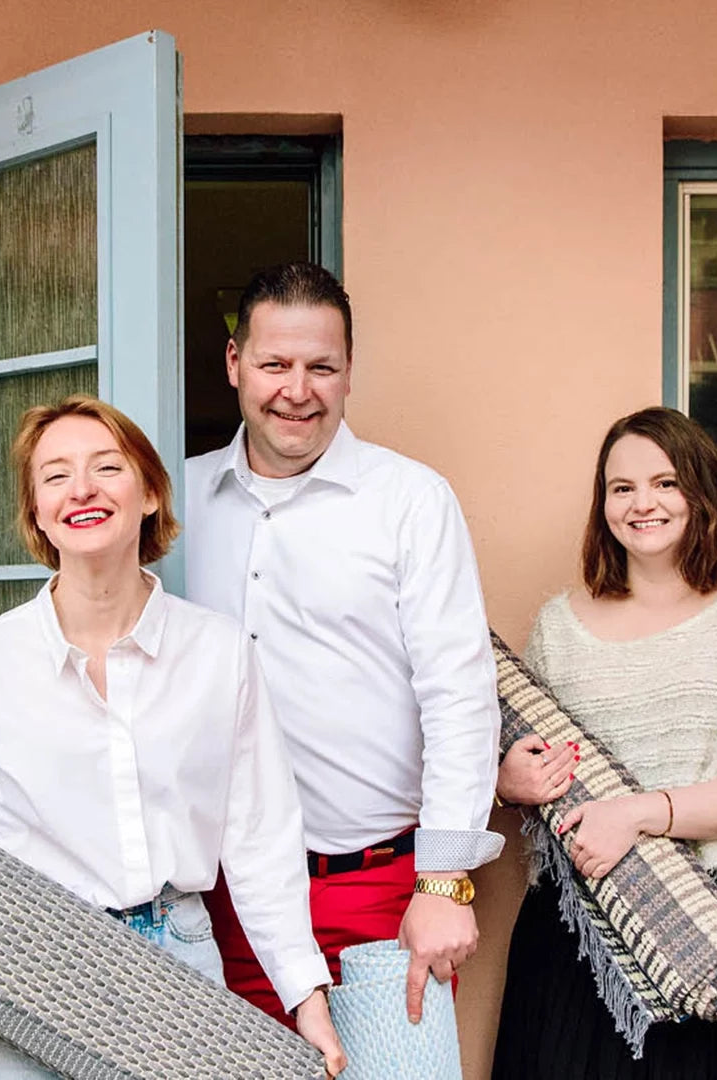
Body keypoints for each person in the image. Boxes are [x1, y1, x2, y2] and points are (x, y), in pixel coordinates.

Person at [0, 395, 346, 1078]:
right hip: (28, 969)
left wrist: (305, 997)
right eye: (54, 476)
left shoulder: (218, 651)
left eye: (107, 467)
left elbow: (260, 837)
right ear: (38, 513)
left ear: (149, 494)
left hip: (181, 968)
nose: (81, 488)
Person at [185, 262, 503, 1026]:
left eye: (322, 367)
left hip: (380, 893)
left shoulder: (411, 501)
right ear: (235, 364)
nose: (299, 389)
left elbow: (458, 693)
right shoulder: (178, 500)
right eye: (275, 365)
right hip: (218, 899)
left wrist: (444, 881)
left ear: (349, 372)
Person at [492, 407, 717, 1079]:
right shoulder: (560, 627)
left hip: (711, 933)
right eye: (621, 488)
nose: (642, 503)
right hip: (579, 938)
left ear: (701, 491)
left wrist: (637, 814)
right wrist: (509, 781)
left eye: (665, 483)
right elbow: (524, 770)